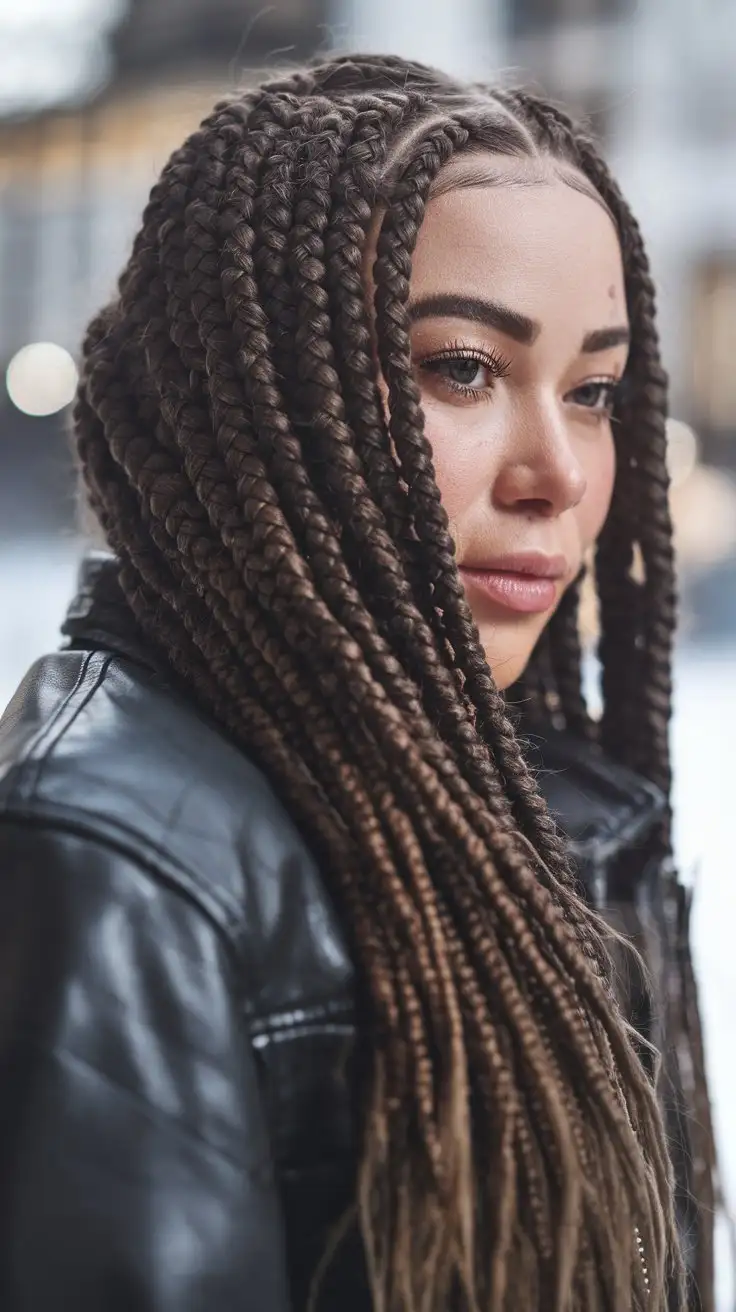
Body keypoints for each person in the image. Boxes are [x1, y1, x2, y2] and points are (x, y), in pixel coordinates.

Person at [0, 53, 717, 1312]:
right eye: (463, 368)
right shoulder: (114, 861)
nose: (556, 470)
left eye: (594, 391)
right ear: (250, 395)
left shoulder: (530, 792)